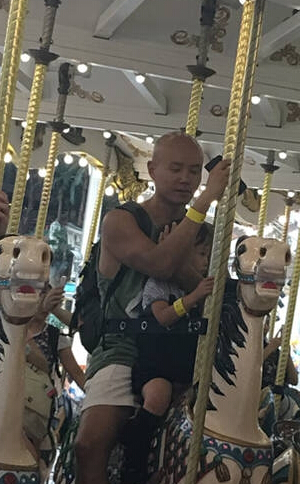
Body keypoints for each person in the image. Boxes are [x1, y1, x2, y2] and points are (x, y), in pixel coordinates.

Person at [74, 131, 230, 484]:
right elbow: (158, 264)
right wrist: (205, 200)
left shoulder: (203, 233)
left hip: (176, 345)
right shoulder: (121, 220)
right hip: (124, 345)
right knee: (89, 444)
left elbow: (206, 292)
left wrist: (181, 257)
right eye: (175, 169)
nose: (186, 178)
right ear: (152, 169)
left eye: (194, 171)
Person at [123, 223, 213, 483]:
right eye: (201, 254)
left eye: (209, 256)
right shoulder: (159, 283)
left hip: (186, 370)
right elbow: (163, 317)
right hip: (156, 367)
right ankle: (134, 458)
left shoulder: (203, 290)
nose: (205, 262)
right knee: (158, 395)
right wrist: (194, 297)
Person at [25, 285, 85, 482]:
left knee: (36, 461)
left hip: (36, 412)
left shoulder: (54, 336)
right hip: (7, 405)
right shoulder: (9, 327)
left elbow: (76, 373)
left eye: (47, 294)